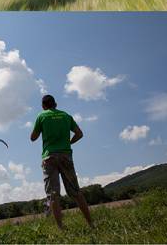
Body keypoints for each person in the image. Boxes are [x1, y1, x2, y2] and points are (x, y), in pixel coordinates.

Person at [30, 94, 95, 230]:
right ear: (56, 104)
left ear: (43, 106)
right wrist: (68, 143)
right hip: (66, 156)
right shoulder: (66, 116)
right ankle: (91, 224)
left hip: (49, 158)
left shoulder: (41, 116)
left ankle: (61, 228)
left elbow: (33, 138)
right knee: (76, 192)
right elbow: (79, 134)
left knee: (53, 195)